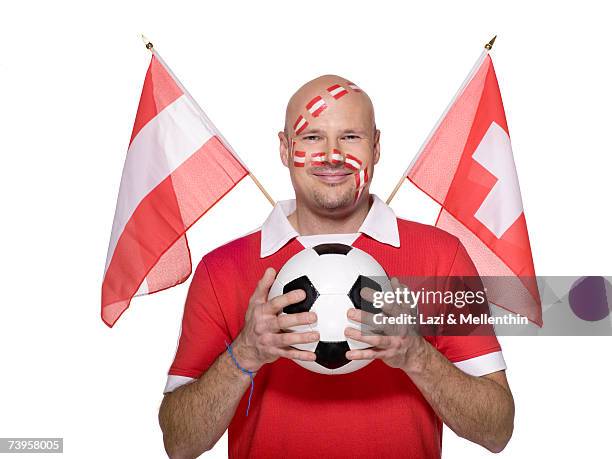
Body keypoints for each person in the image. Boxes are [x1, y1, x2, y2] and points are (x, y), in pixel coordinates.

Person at [158, 75, 514, 459]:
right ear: (284, 148)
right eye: (312, 138)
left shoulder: (442, 256)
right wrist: (245, 354)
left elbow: (496, 431)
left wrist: (416, 355)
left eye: (350, 137)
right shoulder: (222, 269)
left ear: (376, 147)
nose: (331, 155)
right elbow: (179, 443)